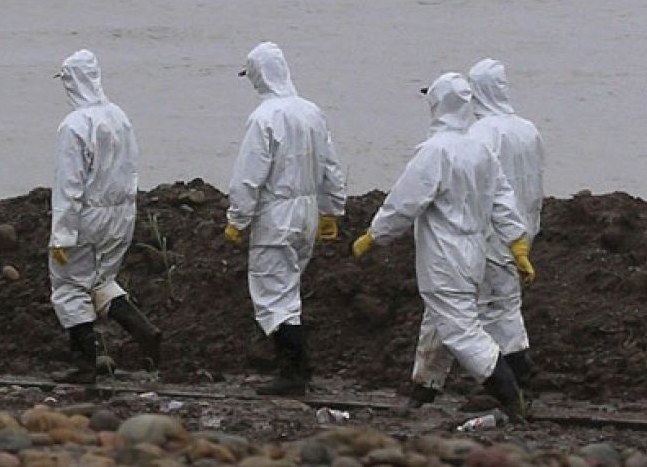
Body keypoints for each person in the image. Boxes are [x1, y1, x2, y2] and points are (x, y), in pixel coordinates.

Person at [353, 74, 533, 420]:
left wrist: (375, 235)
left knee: (462, 330)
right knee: (441, 319)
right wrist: (516, 242)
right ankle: (423, 388)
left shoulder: (435, 151)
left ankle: (510, 394)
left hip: (444, 256)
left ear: (437, 103)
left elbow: (404, 202)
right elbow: (502, 199)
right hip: (476, 252)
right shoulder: (480, 149)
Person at [405, 59, 546, 408]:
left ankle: (502, 391)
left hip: (484, 237)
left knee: (456, 313)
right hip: (520, 233)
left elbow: (477, 188)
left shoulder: (481, 134)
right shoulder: (528, 130)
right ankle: (429, 387)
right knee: (504, 310)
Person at [225, 42, 346, 397]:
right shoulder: (312, 112)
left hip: (276, 215)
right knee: (289, 289)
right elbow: (331, 165)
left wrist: (238, 217)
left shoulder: (265, 117)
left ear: (259, 75)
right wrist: (331, 210)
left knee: (273, 295)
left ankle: (293, 372)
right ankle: (300, 366)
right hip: (307, 213)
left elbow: (249, 175)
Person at [48, 50, 162, 384]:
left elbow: (69, 186)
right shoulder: (118, 116)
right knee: (99, 281)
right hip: (121, 214)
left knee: (69, 286)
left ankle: (85, 364)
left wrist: (62, 235)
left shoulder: (74, 125)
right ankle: (143, 330)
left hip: (87, 217)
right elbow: (131, 169)